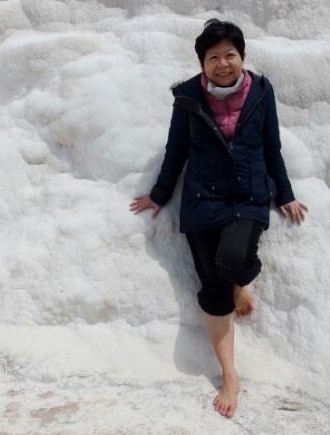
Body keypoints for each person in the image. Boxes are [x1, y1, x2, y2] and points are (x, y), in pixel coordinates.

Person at [129, 18, 307, 418]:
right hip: (202, 199)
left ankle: (240, 282)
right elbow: (177, 150)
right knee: (211, 288)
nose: (222, 63)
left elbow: (271, 147)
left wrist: (286, 194)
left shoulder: (261, 92)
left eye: (230, 54)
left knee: (231, 262)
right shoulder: (188, 98)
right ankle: (230, 376)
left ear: (242, 57)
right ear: (202, 63)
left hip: (248, 196)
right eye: (213, 57)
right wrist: (158, 196)